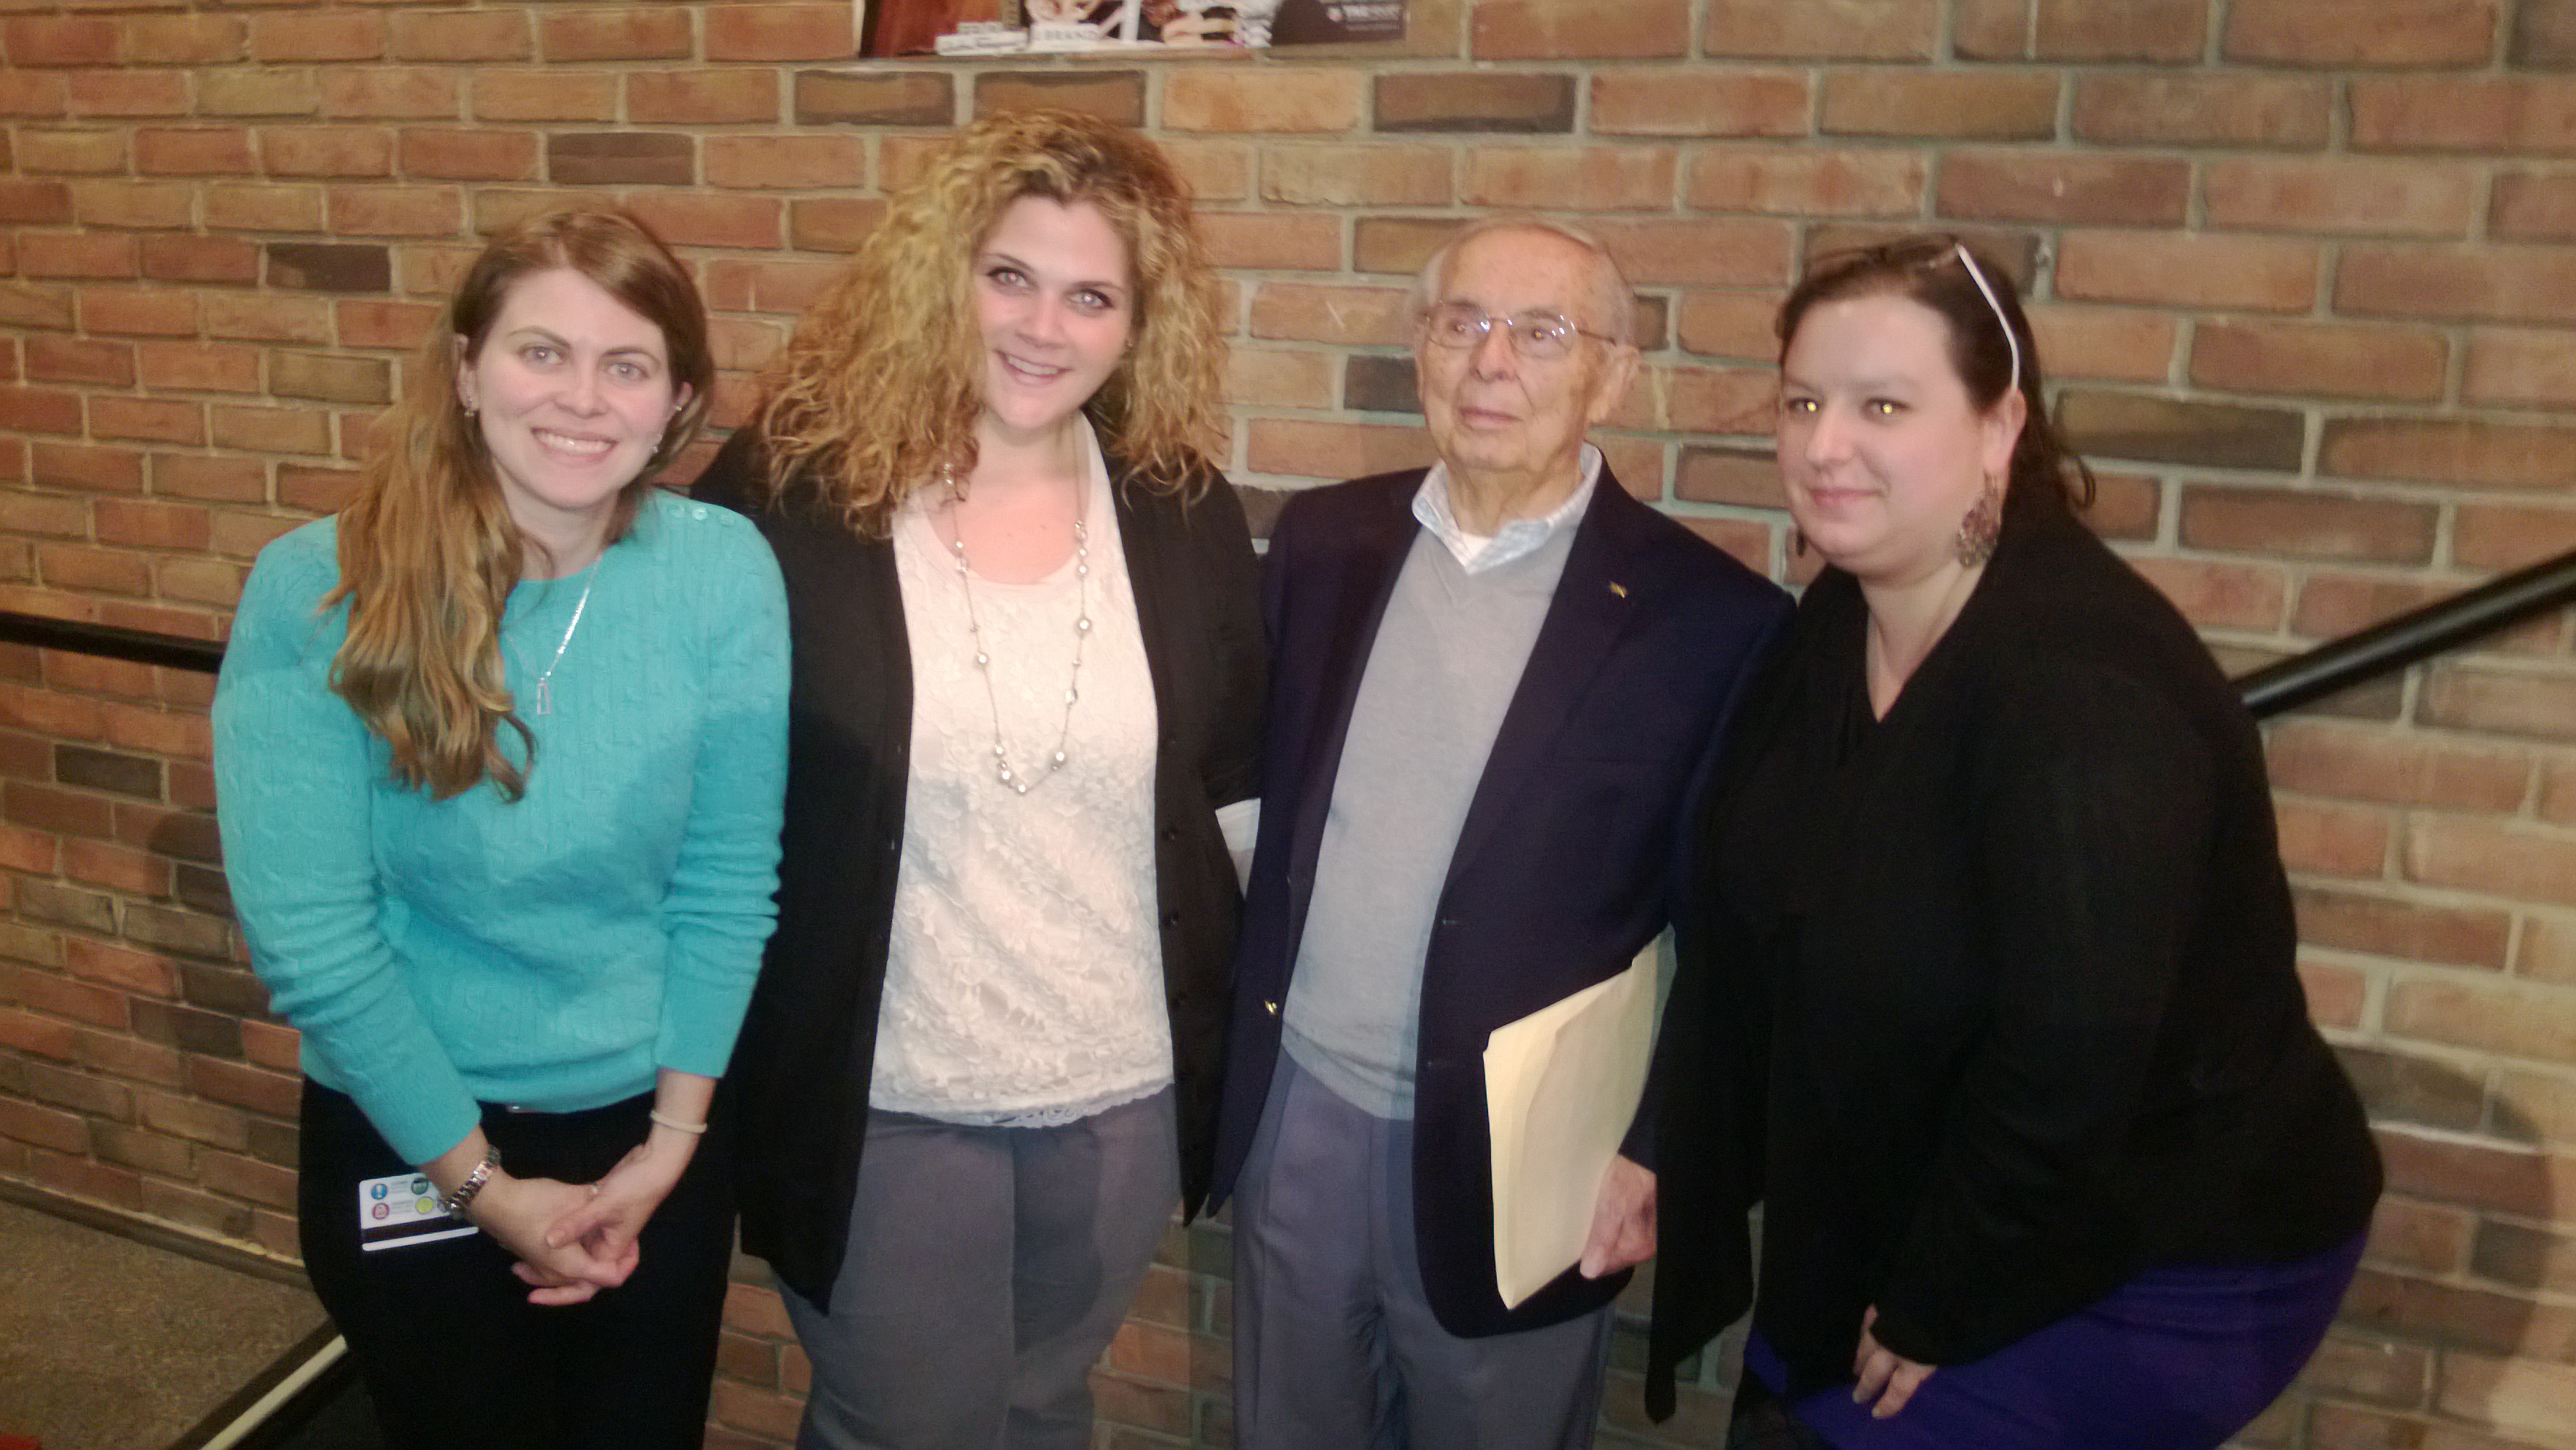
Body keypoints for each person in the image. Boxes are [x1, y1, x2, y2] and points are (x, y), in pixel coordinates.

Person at [1646, 235, 2385, 1450]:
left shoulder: (2082, 693)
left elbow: (2071, 1064)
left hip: (2156, 1244)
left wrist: (1942, 1303)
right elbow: (1750, 912)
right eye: (1803, 402)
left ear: (1999, 428)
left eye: (1883, 404)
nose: (1826, 444)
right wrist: (1674, 1150)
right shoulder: (1843, 613)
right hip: (1929, 1180)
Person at [690, 109, 1263, 1450]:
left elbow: (1231, 798)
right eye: (1009, 275)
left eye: (1090, 295)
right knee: (908, 1427)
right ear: (942, 273)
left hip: (1119, 1098)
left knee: (1040, 1410)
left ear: (1137, 325)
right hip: (887, 1097)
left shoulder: (1182, 513)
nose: (1042, 327)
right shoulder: (792, 494)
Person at [1208, 217, 1791, 1450]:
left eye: (1542, 333)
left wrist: (1654, 1152)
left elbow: (1731, 935)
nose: (1491, 362)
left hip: (1533, 1159)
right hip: (1298, 1117)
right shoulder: (1324, 544)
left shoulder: (1713, 621)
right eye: (1462, 322)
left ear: (1612, 376)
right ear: (1421, 348)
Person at [212, 207, 789, 1448]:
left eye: (627, 365)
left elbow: (729, 880)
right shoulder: (319, 589)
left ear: (676, 400)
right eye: (542, 353)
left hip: (655, 1133)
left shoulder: (722, 571)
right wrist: (484, 1187)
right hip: (411, 1133)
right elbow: (315, 942)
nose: (583, 400)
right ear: (468, 369)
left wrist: (669, 1148)